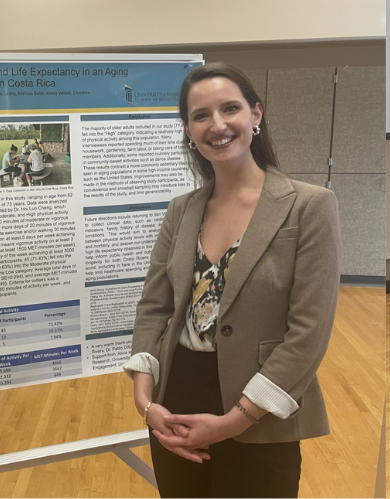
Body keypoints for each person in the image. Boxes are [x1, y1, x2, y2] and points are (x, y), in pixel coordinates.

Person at [123, 62, 340, 498]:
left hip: (258, 406)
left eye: (230, 109)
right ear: (188, 129)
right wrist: (146, 403)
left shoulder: (309, 206)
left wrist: (233, 422)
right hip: (177, 400)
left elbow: (308, 333)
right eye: (201, 115)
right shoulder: (181, 210)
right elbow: (155, 307)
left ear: (255, 115)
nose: (217, 125)